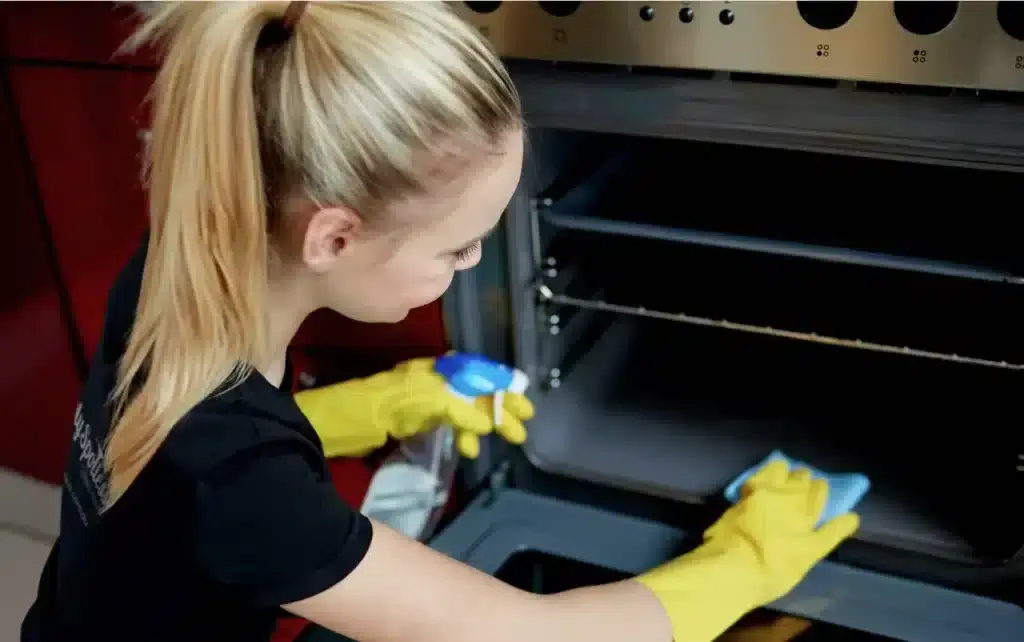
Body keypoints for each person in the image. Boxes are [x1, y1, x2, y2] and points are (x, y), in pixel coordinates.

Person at [21, 3, 860, 642]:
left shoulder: (177, 269)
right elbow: (535, 638)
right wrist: (748, 559)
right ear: (334, 235)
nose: (469, 269)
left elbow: (201, 454)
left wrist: (393, 399)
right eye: (458, 248)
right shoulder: (246, 495)